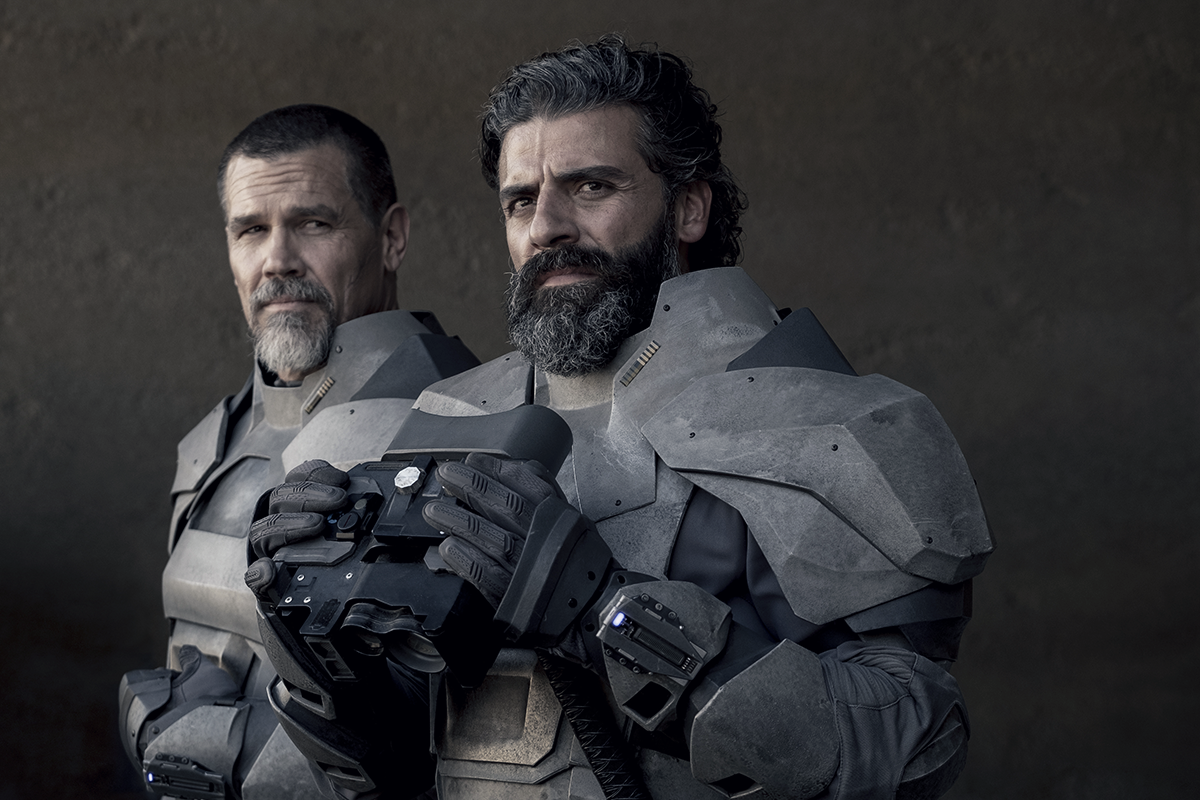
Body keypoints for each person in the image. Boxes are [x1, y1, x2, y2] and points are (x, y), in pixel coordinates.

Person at [249, 37, 994, 799]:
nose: (547, 226)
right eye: (520, 201)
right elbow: (395, 762)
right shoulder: (443, 417)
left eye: (592, 186)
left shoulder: (827, 425)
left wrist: (603, 610)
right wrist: (308, 641)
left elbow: (910, 749)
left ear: (689, 207)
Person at [118, 104, 478, 799]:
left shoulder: (462, 424)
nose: (277, 260)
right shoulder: (212, 442)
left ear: (392, 238)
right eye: (251, 230)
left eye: (313, 223)